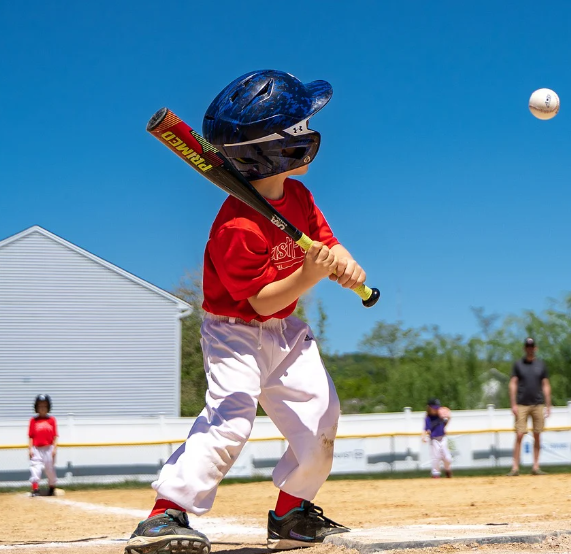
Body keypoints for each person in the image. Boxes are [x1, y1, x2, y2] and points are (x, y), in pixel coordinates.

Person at [125, 70, 367, 554]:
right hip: (233, 333)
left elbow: (323, 239)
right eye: (297, 127)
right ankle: (166, 513)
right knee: (231, 419)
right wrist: (311, 275)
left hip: (286, 332)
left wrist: (343, 259)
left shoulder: (297, 196)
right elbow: (262, 300)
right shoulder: (236, 225)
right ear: (273, 149)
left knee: (322, 416)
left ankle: (292, 511)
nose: (307, 132)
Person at [508, 337, 551, 476]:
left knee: (537, 435)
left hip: (538, 404)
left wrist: (548, 404)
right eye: (527, 346)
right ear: (524, 348)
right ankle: (515, 467)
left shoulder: (541, 365)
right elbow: (513, 383)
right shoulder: (518, 365)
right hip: (522, 404)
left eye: (532, 346)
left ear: (535, 348)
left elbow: (545, 385)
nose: (530, 349)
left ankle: (536, 466)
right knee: (519, 434)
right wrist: (513, 403)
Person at [28, 394, 58, 497]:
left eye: (45, 406)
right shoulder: (33, 420)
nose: (42, 408)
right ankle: (35, 489)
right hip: (36, 448)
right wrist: (30, 449)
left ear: (48, 407)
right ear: (36, 408)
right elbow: (31, 436)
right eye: (40, 406)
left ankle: (51, 487)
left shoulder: (52, 420)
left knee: (49, 469)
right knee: (35, 467)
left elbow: (55, 436)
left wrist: (54, 448)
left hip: (49, 448)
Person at [422, 399, 452, 478]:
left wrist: (448, 417)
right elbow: (425, 429)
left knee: (447, 457)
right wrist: (423, 436)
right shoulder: (428, 418)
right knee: (436, 457)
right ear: (429, 408)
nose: (435, 409)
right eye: (433, 407)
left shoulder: (440, 415)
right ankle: (435, 474)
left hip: (443, 438)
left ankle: (447, 469)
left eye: (436, 407)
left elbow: (445, 423)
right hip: (434, 439)